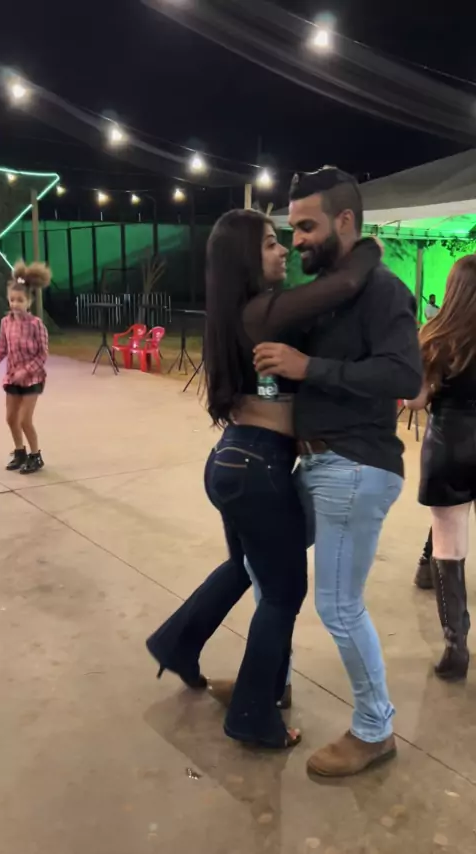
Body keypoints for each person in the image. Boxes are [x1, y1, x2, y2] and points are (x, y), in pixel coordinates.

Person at [146, 208, 382, 749]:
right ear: (245, 258)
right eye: (272, 243)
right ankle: (252, 715)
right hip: (258, 467)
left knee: (244, 567)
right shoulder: (264, 310)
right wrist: (365, 250)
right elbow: (343, 285)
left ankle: (178, 643)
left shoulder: (234, 313)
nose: (283, 251)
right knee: (283, 592)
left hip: (231, 460)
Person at [254, 167, 422, 776]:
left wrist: (310, 367)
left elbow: (405, 375)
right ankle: (267, 682)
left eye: (307, 226)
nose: (296, 239)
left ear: (345, 221)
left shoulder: (382, 290)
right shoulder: (326, 291)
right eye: (291, 228)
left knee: (338, 605)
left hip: (356, 464)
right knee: (263, 566)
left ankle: (376, 729)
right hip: (319, 462)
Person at [406, 255, 476, 681]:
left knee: (449, 545)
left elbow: (415, 400)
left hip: (449, 444)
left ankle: (456, 647)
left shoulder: (433, 336)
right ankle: (423, 567)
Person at [0, 261, 50, 474]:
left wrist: (25, 371)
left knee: (24, 420)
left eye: (20, 300)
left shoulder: (37, 325)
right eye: (12, 300)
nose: (15, 304)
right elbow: (1, 349)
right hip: (12, 378)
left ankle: (36, 456)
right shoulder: (5, 323)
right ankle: (20, 452)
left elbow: (42, 354)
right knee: (11, 419)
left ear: (29, 301)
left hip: (32, 379)